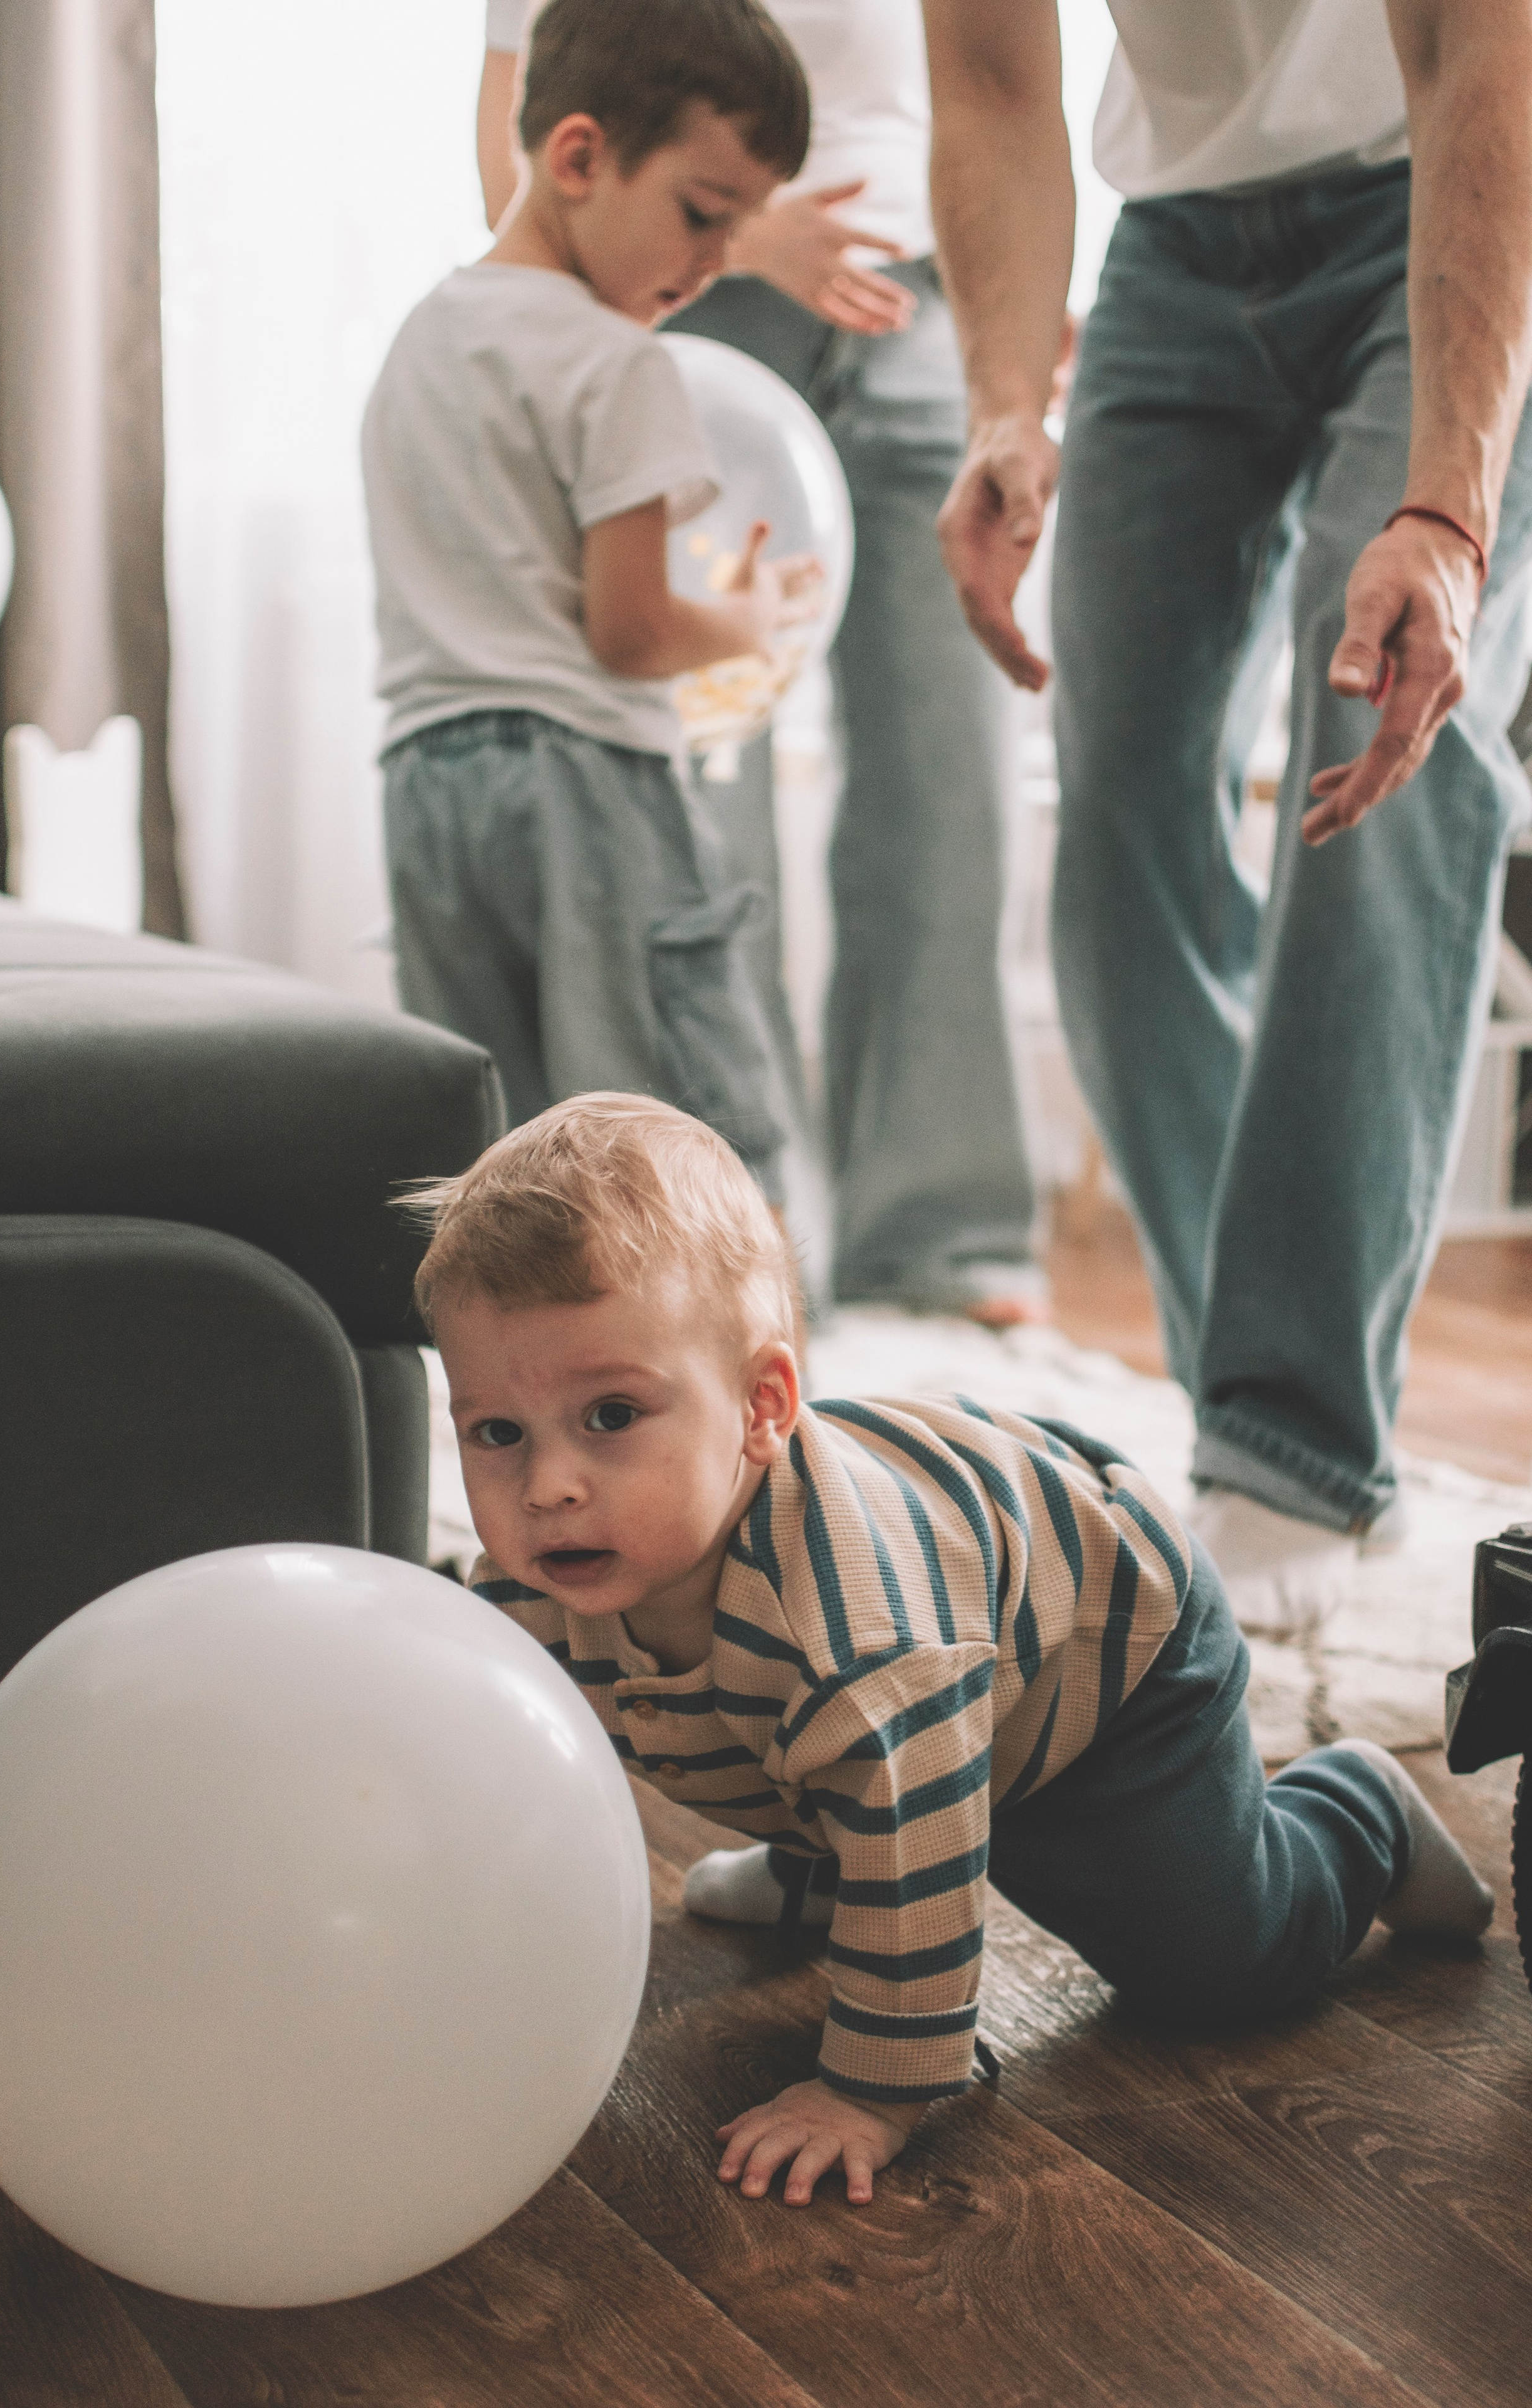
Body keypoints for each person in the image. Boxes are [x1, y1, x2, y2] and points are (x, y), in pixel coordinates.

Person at [419, 1090, 1492, 2209]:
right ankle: (820, 1857)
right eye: (499, 1432)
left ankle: (1357, 1814)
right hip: (931, 1662)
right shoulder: (544, 1577)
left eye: (610, 1417)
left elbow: (918, 1826)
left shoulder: (857, 1641)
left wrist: (872, 2094)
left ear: (759, 1408)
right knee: (837, 1755)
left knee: (1208, 1964)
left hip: (1107, 1664)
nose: (548, 1485)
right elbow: (492, 1746)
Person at [921, 0, 1532, 1635]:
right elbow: (988, 79)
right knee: (1112, 821)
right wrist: (1003, 406)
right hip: (1178, 248)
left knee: (1381, 744)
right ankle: (1249, 1386)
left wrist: (1447, 514)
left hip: (1453, 180)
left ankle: (1296, 1447)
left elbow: (1484, 50)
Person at [476, 0, 1050, 1327]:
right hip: (692, 317)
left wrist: (1012, 349)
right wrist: (737, 228)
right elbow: (514, 132)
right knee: (699, 824)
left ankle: (943, 1237)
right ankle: (729, 1248)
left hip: (920, 309)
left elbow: (1003, 93)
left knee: (945, 790)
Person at [362, 0, 819, 1201]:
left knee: (498, 1166)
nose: (715, 265)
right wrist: (750, 617)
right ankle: (725, 1391)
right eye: (702, 216)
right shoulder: (618, 362)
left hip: (427, 788)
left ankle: (519, 1391)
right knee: (674, 1144)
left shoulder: (420, 342)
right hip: (585, 788)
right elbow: (632, 631)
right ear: (578, 157)